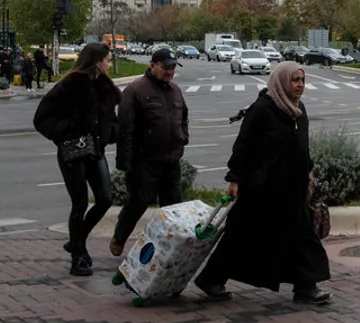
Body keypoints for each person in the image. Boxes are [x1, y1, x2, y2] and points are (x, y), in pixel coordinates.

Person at [194, 61, 331, 305]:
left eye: (302, 80)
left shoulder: (299, 110)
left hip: (293, 190)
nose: (299, 85)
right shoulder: (262, 109)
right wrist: (235, 179)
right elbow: (243, 146)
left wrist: (308, 169)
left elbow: (302, 145)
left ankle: (306, 287)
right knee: (241, 236)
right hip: (262, 190)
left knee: (301, 236)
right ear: (281, 82)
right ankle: (211, 279)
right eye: (294, 80)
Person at [32, 42, 121, 276]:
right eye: (108, 60)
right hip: (72, 152)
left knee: (104, 198)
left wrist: (111, 134)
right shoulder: (69, 85)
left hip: (96, 151)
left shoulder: (105, 88)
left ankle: (76, 240)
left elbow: (110, 120)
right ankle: (78, 255)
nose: (110, 64)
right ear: (97, 61)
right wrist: (66, 131)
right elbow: (41, 118)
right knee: (80, 203)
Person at [108, 48, 190, 257]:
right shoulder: (136, 90)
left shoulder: (175, 91)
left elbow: (183, 117)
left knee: (173, 207)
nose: (169, 72)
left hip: (171, 159)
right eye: (165, 67)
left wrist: (183, 138)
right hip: (144, 161)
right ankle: (119, 237)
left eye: (172, 68)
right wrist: (124, 161)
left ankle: (167, 249)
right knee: (138, 203)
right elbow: (125, 128)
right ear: (153, 65)